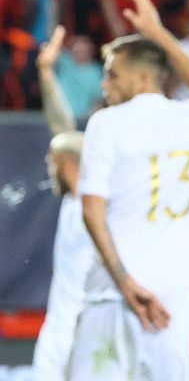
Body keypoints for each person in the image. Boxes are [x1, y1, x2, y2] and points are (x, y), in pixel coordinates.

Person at [70, 0, 189, 380]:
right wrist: (159, 34)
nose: (105, 86)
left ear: (141, 79)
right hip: (174, 294)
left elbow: (91, 211)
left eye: (112, 75)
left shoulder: (106, 122)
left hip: (111, 294)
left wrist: (124, 281)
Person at [31, 26, 96, 381]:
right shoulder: (77, 197)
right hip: (62, 324)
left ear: (71, 168)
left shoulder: (89, 193)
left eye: (55, 162)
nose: (49, 166)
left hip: (87, 325)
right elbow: (62, 131)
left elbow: (65, 138)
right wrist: (45, 72)